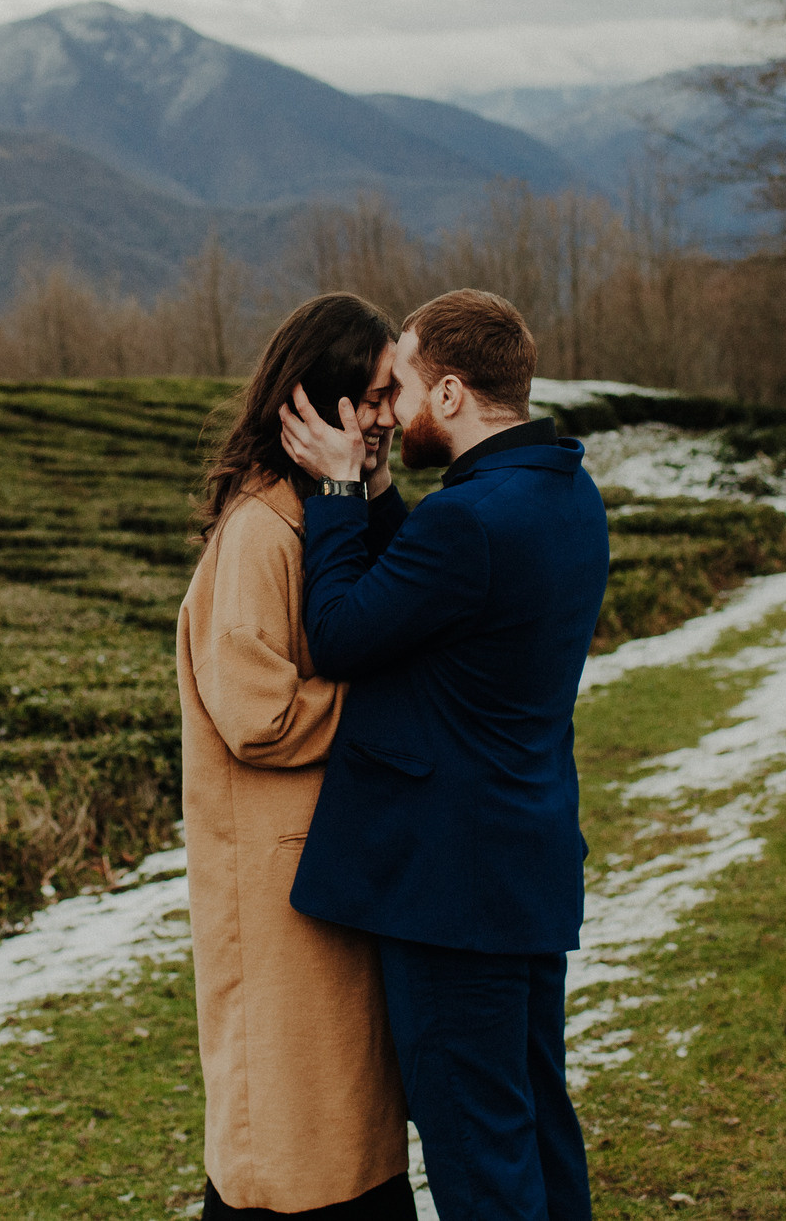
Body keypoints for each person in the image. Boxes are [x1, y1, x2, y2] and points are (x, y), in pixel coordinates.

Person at [277, 288, 607, 1221]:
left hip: (451, 892)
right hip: (523, 871)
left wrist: (339, 490)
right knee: (536, 1127)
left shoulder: (467, 523)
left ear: (453, 393)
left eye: (405, 385)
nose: (388, 409)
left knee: (478, 1155)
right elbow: (433, 598)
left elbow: (343, 630)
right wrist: (379, 490)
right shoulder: (562, 491)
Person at [176, 292, 418, 1221]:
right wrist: (391, 708)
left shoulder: (316, 517)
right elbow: (256, 714)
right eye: (376, 396)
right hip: (272, 884)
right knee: (283, 1139)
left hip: (321, 863)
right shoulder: (258, 533)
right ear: (318, 406)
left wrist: (367, 483)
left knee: (342, 1119)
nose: (393, 413)